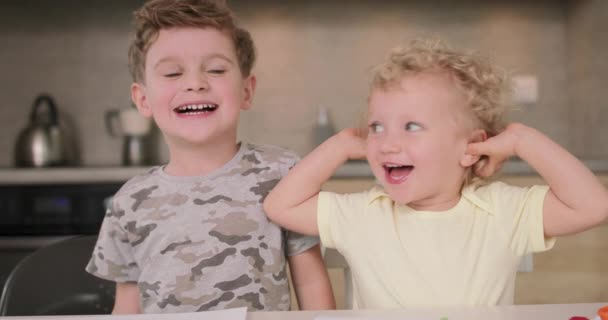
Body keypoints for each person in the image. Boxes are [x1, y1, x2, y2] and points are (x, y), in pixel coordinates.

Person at [264, 39, 608, 308]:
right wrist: (341, 144)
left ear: (470, 147)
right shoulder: (362, 213)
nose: (386, 143)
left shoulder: (502, 210)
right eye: (376, 127)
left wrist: (521, 139)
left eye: (411, 126)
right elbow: (280, 206)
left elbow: (593, 206)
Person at [86, 0, 335, 314]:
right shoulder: (129, 202)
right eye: (173, 72)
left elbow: (311, 284)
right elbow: (126, 308)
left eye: (216, 70)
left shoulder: (283, 174)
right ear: (143, 99)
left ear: (246, 90)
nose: (195, 83)